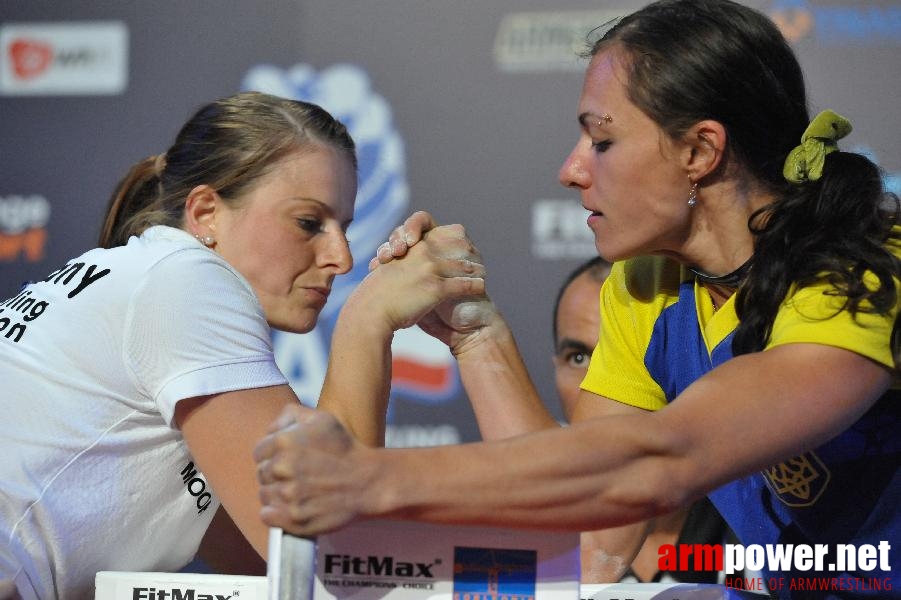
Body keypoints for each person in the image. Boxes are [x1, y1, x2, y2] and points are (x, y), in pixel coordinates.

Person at [254, 1, 900, 598]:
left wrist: (369, 480)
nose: (571, 169)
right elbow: (591, 533)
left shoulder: (864, 268)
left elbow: (664, 459)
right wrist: (475, 334)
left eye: (602, 140)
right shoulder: (645, 283)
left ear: (699, 150)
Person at [0, 91, 485, 600]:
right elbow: (330, 559)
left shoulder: (148, 286)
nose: (341, 257)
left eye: (344, 227)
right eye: (308, 224)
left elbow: (283, 567)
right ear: (206, 212)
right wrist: (366, 318)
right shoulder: (186, 279)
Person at [553, 257, 745, 585]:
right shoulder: (551, 521)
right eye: (579, 358)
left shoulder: (767, 504)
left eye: (616, 357)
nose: (600, 382)